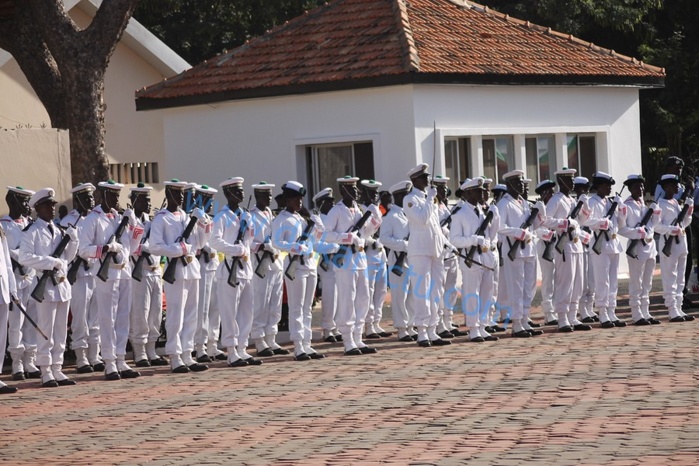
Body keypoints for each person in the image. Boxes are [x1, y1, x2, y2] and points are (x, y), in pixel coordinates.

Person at [79, 180, 143, 380]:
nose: (117, 200)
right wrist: (105, 248)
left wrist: (133, 224)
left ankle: (121, 359)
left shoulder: (119, 218)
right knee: (107, 318)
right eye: (113, 196)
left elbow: (132, 248)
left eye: (118, 196)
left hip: (124, 272)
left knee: (123, 317)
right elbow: (83, 250)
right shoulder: (93, 219)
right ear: (103, 196)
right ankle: (109, 362)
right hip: (105, 274)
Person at [150, 179, 211, 373]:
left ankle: (187, 353)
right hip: (175, 271)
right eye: (177, 193)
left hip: (192, 270)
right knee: (176, 315)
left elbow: (200, 244)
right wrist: (178, 249)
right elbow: (155, 247)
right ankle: (175, 356)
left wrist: (203, 223)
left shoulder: (187, 217)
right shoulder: (162, 218)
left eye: (183, 193)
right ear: (168, 195)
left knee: (192, 315)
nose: (182, 197)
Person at [19, 188, 78, 387]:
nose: (52, 209)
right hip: (44, 286)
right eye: (47, 205)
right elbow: (25, 257)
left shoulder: (60, 230)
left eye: (53, 205)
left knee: (61, 329)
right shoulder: (32, 231)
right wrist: (49, 262)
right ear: (38, 208)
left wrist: (73, 240)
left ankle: (57, 368)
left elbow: (67, 259)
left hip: (61, 285)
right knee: (46, 329)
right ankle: (45, 370)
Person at [272, 181, 336, 360]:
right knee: (296, 306)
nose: (299, 202)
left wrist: (332, 246)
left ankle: (307, 344)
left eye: (301, 199)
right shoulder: (281, 219)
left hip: (310, 265)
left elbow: (314, 243)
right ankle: (298, 345)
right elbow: (276, 242)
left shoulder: (303, 219)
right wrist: (294, 247)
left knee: (307, 307)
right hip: (295, 266)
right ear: (287, 200)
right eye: (295, 199)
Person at [323, 176, 380, 355]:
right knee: (347, 300)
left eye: (356, 188)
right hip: (345, 261)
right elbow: (325, 235)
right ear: (343, 190)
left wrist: (374, 211)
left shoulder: (359, 210)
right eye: (352, 188)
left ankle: (358, 337)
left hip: (361, 260)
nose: (357, 192)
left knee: (363, 298)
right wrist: (347, 238)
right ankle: (348, 341)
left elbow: (369, 231)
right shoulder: (336, 211)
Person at [210, 177, 261, 367]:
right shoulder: (221, 217)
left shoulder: (245, 215)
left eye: (241, 190)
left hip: (246, 269)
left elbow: (250, 241)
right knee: (229, 312)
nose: (241, 194)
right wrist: (235, 249)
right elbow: (214, 242)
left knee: (246, 311)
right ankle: (231, 351)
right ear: (228, 194)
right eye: (237, 191)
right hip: (230, 268)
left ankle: (242, 348)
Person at [403, 164, 451, 347]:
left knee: (436, 290)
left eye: (427, 178)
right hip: (420, 251)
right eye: (424, 178)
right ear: (415, 180)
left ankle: (433, 329)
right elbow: (422, 220)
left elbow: (436, 227)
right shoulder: (410, 199)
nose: (427, 181)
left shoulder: (430, 199)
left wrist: (447, 244)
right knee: (422, 291)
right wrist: (431, 198)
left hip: (436, 250)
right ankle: (422, 331)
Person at [449, 177, 500, 342]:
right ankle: (473, 328)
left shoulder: (483, 211)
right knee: (472, 294)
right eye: (478, 190)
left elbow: (491, 235)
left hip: (485, 257)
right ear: (468, 192)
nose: (482, 193)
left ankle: (483, 326)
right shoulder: (460, 214)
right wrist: (473, 240)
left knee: (487, 292)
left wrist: (495, 216)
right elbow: (454, 240)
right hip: (470, 259)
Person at [496, 170, 545, 337]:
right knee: (516, 288)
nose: (521, 186)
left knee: (528, 287)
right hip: (513, 250)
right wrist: (518, 233)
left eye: (521, 183)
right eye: (517, 183)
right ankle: (516, 324)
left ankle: (525, 319)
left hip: (528, 250)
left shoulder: (523, 202)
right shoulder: (504, 204)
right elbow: (499, 227)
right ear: (509, 185)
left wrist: (540, 212)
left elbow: (534, 226)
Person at [61, 182, 103, 374]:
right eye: (86, 198)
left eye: (92, 197)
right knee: (80, 318)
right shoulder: (68, 221)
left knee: (95, 317)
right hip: (77, 274)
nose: (91, 201)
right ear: (77, 199)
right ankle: (81, 357)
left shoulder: (95, 219)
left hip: (94, 272)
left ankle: (95, 355)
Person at [545, 168, 591, 332]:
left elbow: (583, 220)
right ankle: (562, 317)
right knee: (565, 283)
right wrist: (564, 223)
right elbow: (546, 221)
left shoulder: (572, 200)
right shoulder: (555, 200)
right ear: (561, 181)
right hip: (564, 245)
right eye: (569, 179)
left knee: (578, 283)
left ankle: (573, 316)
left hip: (577, 245)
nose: (573, 183)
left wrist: (584, 204)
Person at [1, 186, 39, 381]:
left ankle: (29, 360)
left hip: (31, 278)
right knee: (16, 322)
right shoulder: (4, 226)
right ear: (13, 203)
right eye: (23, 202)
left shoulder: (31, 225)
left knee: (32, 320)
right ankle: (16, 362)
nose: (27, 206)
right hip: (15, 280)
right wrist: (19, 256)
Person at [128, 183, 168, 367]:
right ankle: (140, 352)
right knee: (140, 313)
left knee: (155, 313)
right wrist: (143, 247)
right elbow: (128, 247)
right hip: (139, 273)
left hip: (154, 272)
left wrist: (150, 248)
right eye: (144, 199)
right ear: (134, 201)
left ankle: (152, 349)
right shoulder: (128, 222)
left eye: (149, 200)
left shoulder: (152, 223)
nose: (148, 203)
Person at [581, 172, 627, 328]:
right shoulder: (592, 201)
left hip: (613, 244)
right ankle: (602, 312)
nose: (609, 188)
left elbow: (621, 224)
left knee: (613, 282)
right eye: (607, 185)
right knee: (603, 281)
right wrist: (601, 223)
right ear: (599, 186)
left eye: (610, 186)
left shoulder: (610, 202)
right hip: (600, 245)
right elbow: (586, 220)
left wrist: (621, 208)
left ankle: (612, 311)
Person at [250, 181, 288, 357]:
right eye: (266, 195)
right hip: (261, 263)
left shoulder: (273, 216)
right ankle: (259, 340)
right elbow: (247, 242)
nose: (270, 198)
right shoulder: (251, 216)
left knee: (275, 303)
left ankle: (271, 338)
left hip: (275, 263)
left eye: (270, 195)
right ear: (258, 196)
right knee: (261, 302)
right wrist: (262, 247)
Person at [618, 175, 662, 326]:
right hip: (636, 248)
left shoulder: (644, 205)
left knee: (647, 283)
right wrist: (637, 233)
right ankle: (637, 314)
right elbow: (621, 229)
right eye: (637, 186)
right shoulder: (627, 206)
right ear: (630, 189)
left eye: (642, 186)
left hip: (649, 248)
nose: (641, 189)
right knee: (636, 282)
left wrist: (656, 212)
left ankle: (646, 311)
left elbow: (653, 225)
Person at [655, 174, 696, 322]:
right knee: (670, 277)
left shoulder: (676, 203)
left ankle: (679, 307)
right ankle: (672, 309)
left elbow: (683, 224)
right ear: (666, 187)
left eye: (676, 185)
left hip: (681, 244)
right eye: (673, 185)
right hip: (669, 245)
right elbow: (656, 226)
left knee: (680, 278)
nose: (676, 187)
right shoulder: (660, 204)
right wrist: (671, 230)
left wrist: (688, 212)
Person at [380, 180, 416, 341]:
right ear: (398, 196)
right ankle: (402, 329)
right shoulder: (391, 216)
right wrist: (404, 245)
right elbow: (384, 238)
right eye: (406, 194)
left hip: (413, 258)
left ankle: (411, 325)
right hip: (397, 260)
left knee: (413, 295)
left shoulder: (411, 213)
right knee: (400, 295)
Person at [192, 184, 221, 363]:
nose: (210, 204)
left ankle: (212, 344)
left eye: (211, 200)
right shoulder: (192, 218)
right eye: (206, 199)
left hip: (213, 266)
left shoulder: (209, 218)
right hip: (201, 266)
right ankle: (200, 346)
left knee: (214, 307)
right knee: (201, 308)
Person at [359, 179, 391, 339]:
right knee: (369, 290)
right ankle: (368, 324)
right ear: (364, 193)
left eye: (377, 192)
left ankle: (376, 322)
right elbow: (359, 235)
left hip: (380, 254)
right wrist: (371, 241)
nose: (375, 196)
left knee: (381, 290)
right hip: (368, 254)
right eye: (372, 192)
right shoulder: (361, 210)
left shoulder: (379, 210)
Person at [313, 187, 341, 342]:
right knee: (329, 296)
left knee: (339, 296)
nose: (333, 205)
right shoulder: (318, 220)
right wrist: (334, 246)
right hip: (325, 262)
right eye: (329, 202)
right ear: (322, 203)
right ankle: (327, 329)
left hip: (337, 262)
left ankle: (335, 327)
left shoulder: (334, 218)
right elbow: (317, 243)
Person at [533, 179, 558, 326]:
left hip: (556, 245)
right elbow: (537, 228)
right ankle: (549, 313)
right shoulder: (539, 208)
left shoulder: (553, 206)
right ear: (543, 194)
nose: (552, 194)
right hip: (545, 245)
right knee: (548, 280)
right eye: (549, 192)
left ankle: (555, 309)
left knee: (558, 279)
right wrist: (551, 234)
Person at [574, 177, 597, 323]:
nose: (585, 191)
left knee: (591, 280)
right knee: (581, 281)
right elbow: (576, 224)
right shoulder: (574, 204)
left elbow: (592, 221)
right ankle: (582, 311)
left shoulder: (588, 203)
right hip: (578, 243)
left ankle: (589, 308)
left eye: (587, 189)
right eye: (582, 188)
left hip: (590, 244)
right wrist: (583, 235)